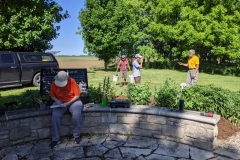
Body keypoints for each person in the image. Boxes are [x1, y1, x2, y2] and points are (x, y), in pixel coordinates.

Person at [49, 71, 83, 148]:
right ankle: (55, 139)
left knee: (77, 114)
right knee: (55, 115)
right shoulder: (54, 83)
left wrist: (68, 103)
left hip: (73, 101)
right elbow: (52, 96)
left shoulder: (72, 81)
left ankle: (76, 135)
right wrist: (57, 101)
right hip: (60, 103)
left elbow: (77, 95)